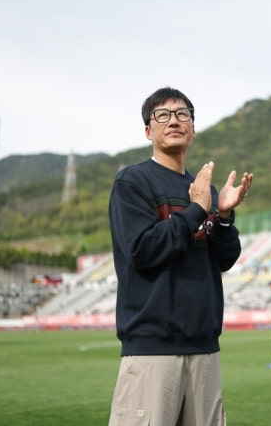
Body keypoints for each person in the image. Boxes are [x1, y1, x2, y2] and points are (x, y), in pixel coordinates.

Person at [107, 87, 253, 426]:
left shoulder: (205, 189)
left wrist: (225, 217)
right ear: (148, 131)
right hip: (153, 346)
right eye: (163, 115)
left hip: (205, 345)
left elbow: (225, 259)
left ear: (193, 128)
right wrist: (198, 209)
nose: (174, 120)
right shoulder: (133, 181)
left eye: (182, 114)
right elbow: (143, 251)